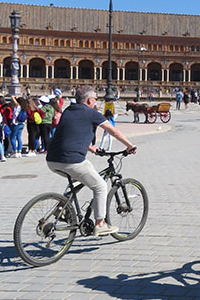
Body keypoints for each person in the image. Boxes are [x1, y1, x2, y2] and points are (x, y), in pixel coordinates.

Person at [46, 86, 136, 236]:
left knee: (77, 179)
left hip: (52, 160)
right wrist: (130, 146)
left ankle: (62, 208)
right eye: (95, 99)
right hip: (71, 160)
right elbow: (113, 130)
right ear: (89, 100)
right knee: (100, 186)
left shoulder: (69, 110)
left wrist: (89, 147)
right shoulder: (92, 113)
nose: (97, 102)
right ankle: (100, 224)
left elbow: (70, 132)